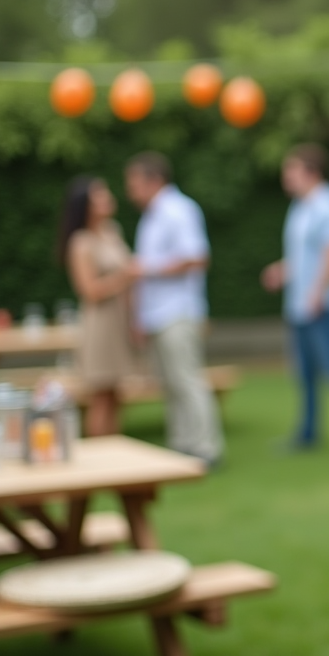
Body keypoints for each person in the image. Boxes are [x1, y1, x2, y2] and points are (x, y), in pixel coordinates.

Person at [125, 151, 223, 466]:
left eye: (134, 182)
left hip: (178, 311)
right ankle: (183, 445)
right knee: (170, 384)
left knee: (187, 380)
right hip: (157, 314)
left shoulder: (179, 210)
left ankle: (208, 448)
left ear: (154, 180)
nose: (130, 190)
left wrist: (147, 269)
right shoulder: (151, 215)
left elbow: (197, 257)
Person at [261, 143, 329, 449]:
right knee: (306, 375)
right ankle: (307, 434)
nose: (286, 176)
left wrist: (316, 293)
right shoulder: (300, 206)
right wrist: (282, 271)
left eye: (292, 169)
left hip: (322, 306)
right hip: (300, 306)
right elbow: (305, 256)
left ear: (311, 171)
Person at [57, 176, 134, 436]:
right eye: (99, 195)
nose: (107, 198)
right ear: (85, 205)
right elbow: (89, 291)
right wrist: (125, 277)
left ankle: (116, 454)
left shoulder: (113, 230)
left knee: (117, 394)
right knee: (100, 395)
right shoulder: (80, 242)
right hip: (99, 325)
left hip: (119, 321)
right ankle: (100, 457)